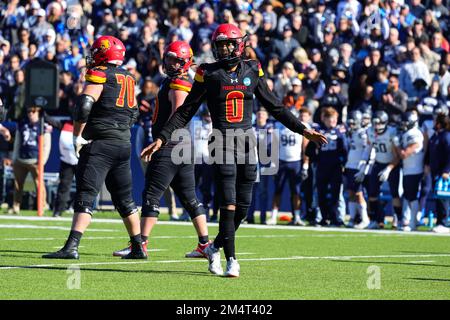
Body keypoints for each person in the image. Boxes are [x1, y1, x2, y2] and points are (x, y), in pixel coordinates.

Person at [141, 24, 327, 277]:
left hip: (248, 142)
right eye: (220, 45)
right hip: (221, 141)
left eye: (229, 44)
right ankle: (232, 260)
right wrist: (163, 138)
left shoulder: (253, 68)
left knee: (243, 207)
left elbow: (276, 107)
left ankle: (214, 246)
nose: (224, 49)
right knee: (227, 204)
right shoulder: (208, 73)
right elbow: (185, 111)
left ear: (240, 44)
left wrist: (303, 129)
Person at [43, 36, 145, 260]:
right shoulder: (128, 77)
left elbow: (84, 104)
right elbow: (135, 112)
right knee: (125, 199)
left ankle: (71, 246)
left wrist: (78, 134)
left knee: (86, 193)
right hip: (122, 143)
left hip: (100, 143)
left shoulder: (100, 73)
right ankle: (138, 247)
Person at [112, 41, 211, 259]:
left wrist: (161, 140)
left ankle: (140, 245)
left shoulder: (179, 83)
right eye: (169, 58)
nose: (171, 63)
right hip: (182, 145)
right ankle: (205, 244)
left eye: (176, 60)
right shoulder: (174, 80)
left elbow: (178, 114)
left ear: (186, 62)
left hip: (171, 145)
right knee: (189, 197)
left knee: (151, 194)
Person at [306, 107, 348, 226]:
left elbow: (345, 149)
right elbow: (309, 150)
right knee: (321, 193)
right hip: (322, 165)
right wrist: (316, 158)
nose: (332, 122)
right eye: (330, 119)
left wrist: (343, 163)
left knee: (336, 193)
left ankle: (336, 217)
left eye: (334, 119)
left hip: (336, 166)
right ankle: (324, 217)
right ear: (324, 119)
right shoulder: (319, 131)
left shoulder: (340, 132)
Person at [268, 107, 307, 226]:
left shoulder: (303, 126)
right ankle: (274, 216)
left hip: (296, 162)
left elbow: (304, 148)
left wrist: (305, 164)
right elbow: (274, 146)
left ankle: (297, 217)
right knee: (278, 190)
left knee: (296, 191)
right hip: (281, 162)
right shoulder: (278, 126)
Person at [364, 110, 402, 230]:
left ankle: (398, 219)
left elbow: (398, 155)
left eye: (379, 123)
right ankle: (377, 220)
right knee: (372, 193)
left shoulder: (392, 132)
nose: (376, 126)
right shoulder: (370, 131)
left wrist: (389, 169)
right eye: (375, 123)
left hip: (392, 164)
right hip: (378, 163)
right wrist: (363, 165)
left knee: (395, 193)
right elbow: (369, 148)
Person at [11, 105, 52, 215]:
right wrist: (14, 158)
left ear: (38, 112)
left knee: (39, 185)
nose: (31, 114)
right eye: (29, 111)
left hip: (35, 160)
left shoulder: (43, 125)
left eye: (33, 111)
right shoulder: (23, 123)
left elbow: (47, 145)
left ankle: (42, 205)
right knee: (17, 184)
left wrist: (42, 160)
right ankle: (16, 206)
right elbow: (17, 142)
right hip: (21, 159)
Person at [398, 111, 425, 231]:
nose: (403, 125)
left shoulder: (414, 133)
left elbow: (405, 154)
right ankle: (409, 221)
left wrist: (396, 145)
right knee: (408, 196)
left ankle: (413, 223)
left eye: (406, 122)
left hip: (414, 169)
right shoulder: (408, 133)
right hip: (408, 169)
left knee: (412, 197)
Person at [425, 112, 450, 234]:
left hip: (443, 173)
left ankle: (444, 222)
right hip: (435, 172)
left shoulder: (446, 136)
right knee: (438, 197)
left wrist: (446, 170)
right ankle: (439, 221)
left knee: (443, 197)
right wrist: (427, 165)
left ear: (439, 124)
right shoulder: (435, 136)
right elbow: (430, 152)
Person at [346, 110, 370, 229]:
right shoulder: (352, 133)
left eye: (353, 122)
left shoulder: (363, 133)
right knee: (350, 192)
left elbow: (368, 150)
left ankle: (365, 219)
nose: (351, 125)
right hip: (350, 165)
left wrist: (364, 168)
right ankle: (352, 218)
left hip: (358, 167)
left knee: (358, 193)